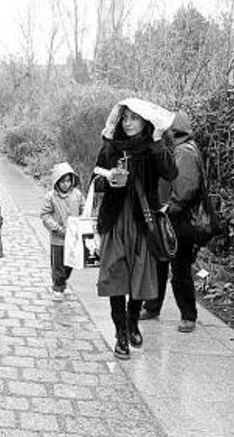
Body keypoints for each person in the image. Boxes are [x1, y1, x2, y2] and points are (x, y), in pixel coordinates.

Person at [93, 99, 176, 360]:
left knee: (139, 275)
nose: (128, 123)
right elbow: (95, 182)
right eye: (125, 118)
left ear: (145, 122)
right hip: (115, 222)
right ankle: (120, 334)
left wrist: (159, 140)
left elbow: (171, 172)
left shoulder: (153, 148)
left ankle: (132, 322)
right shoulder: (110, 147)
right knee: (116, 277)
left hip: (143, 223)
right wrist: (108, 181)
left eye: (134, 118)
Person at [140, 112, 201, 332]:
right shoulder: (179, 148)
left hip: (179, 219)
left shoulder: (184, 151)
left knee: (179, 268)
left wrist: (170, 207)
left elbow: (185, 188)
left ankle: (188, 315)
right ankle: (153, 306)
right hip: (169, 217)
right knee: (159, 262)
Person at [40, 162, 85, 300]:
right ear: (57, 182)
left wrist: (82, 223)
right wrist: (57, 228)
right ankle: (57, 287)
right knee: (57, 264)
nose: (66, 184)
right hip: (58, 237)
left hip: (73, 237)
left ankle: (63, 281)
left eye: (68, 181)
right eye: (62, 181)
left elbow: (84, 209)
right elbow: (45, 215)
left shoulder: (77, 195)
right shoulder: (51, 197)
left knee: (70, 263)